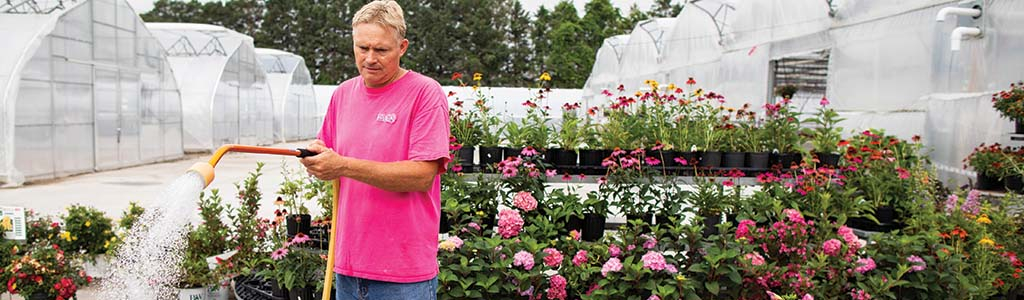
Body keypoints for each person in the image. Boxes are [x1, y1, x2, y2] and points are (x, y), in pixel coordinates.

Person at [299, 1, 449, 299]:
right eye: (362, 47)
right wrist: (317, 157)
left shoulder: (424, 93)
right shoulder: (343, 94)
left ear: (402, 47)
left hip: (404, 275)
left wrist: (342, 165)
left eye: (381, 50)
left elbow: (421, 176)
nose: (369, 58)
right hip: (348, 270)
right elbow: (329, 156)